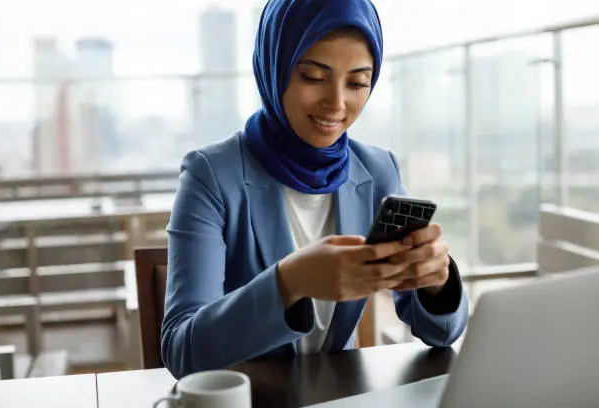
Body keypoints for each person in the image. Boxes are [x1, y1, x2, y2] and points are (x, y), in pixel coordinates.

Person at [161, 0, 469, 379]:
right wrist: (290, 282)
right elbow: (181, 350)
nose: (337, 103)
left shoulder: (378, 169)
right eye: (312, 77)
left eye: (357, 82)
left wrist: (436, 282)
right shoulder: (210, 174)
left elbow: (441, 333)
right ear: (276, 67)